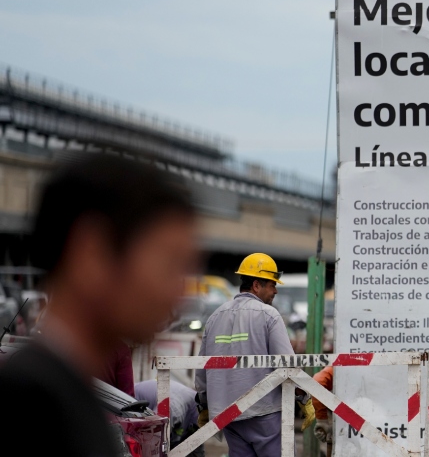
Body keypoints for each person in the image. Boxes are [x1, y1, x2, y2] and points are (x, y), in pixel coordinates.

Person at [0, 153, 198, 456]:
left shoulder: (62, 398)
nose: (178, 294)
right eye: (168, 265)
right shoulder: (32, 412)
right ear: (91, 254)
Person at [196, 253, 294, 457]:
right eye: (271, 285)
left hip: (228, 414)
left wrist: (204, 403)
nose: (275, 290)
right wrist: (305, 397)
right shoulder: (268, 314)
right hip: (264, 412)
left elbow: (202, 367)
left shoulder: (215, 317)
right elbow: (287, 365)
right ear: (256, 285)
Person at [133, 378, 204, 456]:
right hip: (128, 403)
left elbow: (196, 446)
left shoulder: (196, 405)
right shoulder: (174, 408)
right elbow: (153, 436)